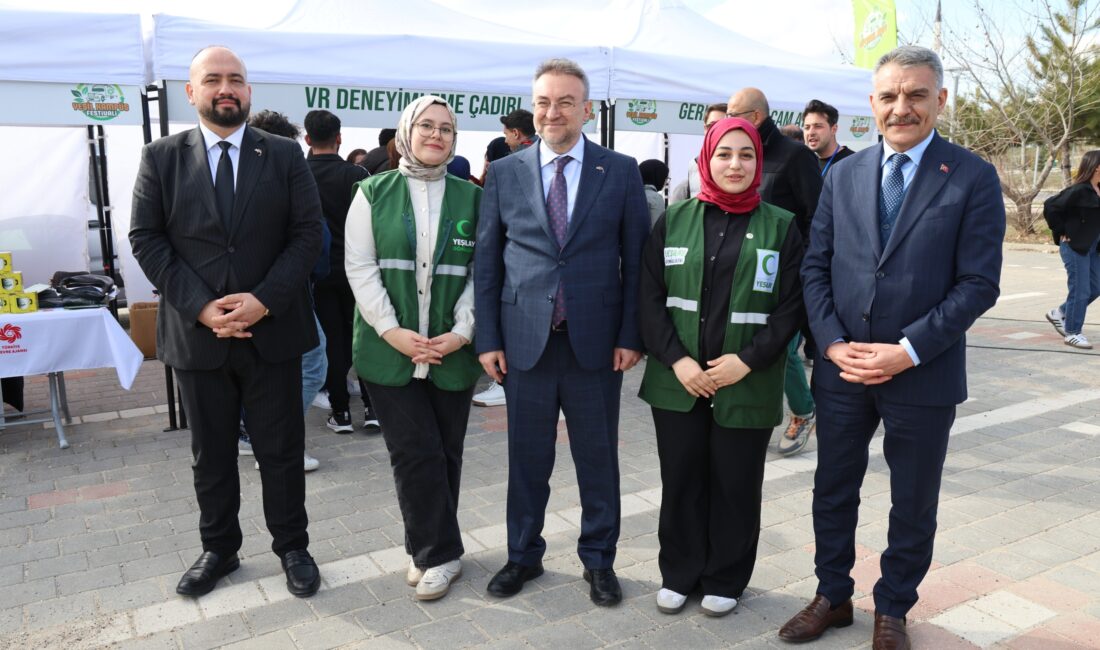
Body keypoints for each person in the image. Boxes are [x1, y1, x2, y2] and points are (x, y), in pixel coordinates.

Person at [780, 45, 1004, 649]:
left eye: (916, 95)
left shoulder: (973, 176)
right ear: (871, 103)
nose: (901, 108)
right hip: (844, 371)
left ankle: (893, 608)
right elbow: (816, 269)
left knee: (912, 499)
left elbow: (979, 283)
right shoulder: (844, 175)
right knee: (832, 489)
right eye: (889, 96)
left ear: (940, 100)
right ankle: (832, 596)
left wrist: (906, 350)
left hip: (921, 374)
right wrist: (829, 345)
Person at [129, 46, 323, 598]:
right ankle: (220, 548)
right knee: (210, 454)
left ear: (249, 91)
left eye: (235, 79)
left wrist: (263, 300)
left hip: (273, 332)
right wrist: (200, 305)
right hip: (198, 337)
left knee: (281, 450)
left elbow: (307, 234)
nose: (225, 88)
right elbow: (146, 237)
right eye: (212, 79)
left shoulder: (285, 155)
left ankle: (292, 547)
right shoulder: (160, 157)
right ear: (190, 92)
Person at [475, 58, 649, 607]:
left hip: (595, 344)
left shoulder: (618, 171)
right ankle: (522, 556)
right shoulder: (505, 171)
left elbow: (637, 259)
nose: (553, 112)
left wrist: (631, 334)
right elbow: (488, 262)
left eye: (565, 101)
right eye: (544, 102)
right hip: (524, 342)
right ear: (534, 106)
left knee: (598, 459)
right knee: (528, 460)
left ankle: (599, 562)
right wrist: (487, 339)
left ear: (587, 109)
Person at [639, 117, 804, 617]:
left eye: (746, 155)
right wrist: (678, 360)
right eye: (724, 154)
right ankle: (679, 572)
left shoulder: (781, 226)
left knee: (735, 484)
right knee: (682, 479)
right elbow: (649, 298)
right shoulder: (674, 218)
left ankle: (726, 577)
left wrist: (746, 361)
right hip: (678, 381)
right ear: (706, 159)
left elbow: (791, 306)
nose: (735, 164)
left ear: (759, 163)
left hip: (745, 382)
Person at [345, 96, 481, 601]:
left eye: (447, 128)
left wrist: (463, 331)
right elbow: (360, 268)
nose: (436, 135)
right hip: (389, 350)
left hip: (452, 349)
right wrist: (391, 331)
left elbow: (482, 274)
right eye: (426, 125)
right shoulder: (372, 193)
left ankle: (427, 547)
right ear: (406, 131)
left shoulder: (473, 197)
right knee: (413, 452)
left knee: (446, 452)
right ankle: (438, 554)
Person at [727, 87, 823, 459]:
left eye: (734, 112)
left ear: (754, 116)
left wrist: (808, 267)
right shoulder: (742, 153)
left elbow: (818, 216)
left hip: (788, 273)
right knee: (747, 342)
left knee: (783, 347)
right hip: (741, 272)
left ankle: (803, 410)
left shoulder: (795, 156)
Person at [240, 108, 324, 472]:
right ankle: (275, 442)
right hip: (276, 296)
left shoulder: (240, 175)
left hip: (262, 296)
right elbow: (307, 240)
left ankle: (256, 436)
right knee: (312, 363)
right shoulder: (272, 180)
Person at [303, 109, 379, 434]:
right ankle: (373, 408)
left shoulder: (298, 174)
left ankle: (341, 411)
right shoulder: (357, 174)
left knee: (333, 340)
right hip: (357, 270)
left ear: (307, 139)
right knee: (364, 336)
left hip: (318, 273)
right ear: (339, 138)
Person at [1043, 150, 1100, 349]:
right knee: (1081, 290)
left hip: (1094, 247)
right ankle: (1073, 332)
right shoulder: (1079, 190)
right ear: (1097, 167)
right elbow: (1050, 206)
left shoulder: (1098, 189)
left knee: (1095, 288)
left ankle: (1060, 312)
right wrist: (1061, 231)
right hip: (1075, 246)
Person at [669, 103, 728, 203]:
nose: (717, 130)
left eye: (723, 125)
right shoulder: (692, 168)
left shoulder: (747, 164)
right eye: (712, 125)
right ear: (705, 129)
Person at [801, 99, 855, 177]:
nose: (811, 132)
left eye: (818, 126)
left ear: (834, 129)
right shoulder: (806, 163)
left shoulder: (853, 162)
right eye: (807, 127)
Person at [639, 159, 669, 229]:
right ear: (659, 177)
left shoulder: (631, 194)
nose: (666, 182)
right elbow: (656, 231)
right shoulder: (656, 198)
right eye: (666, 178)